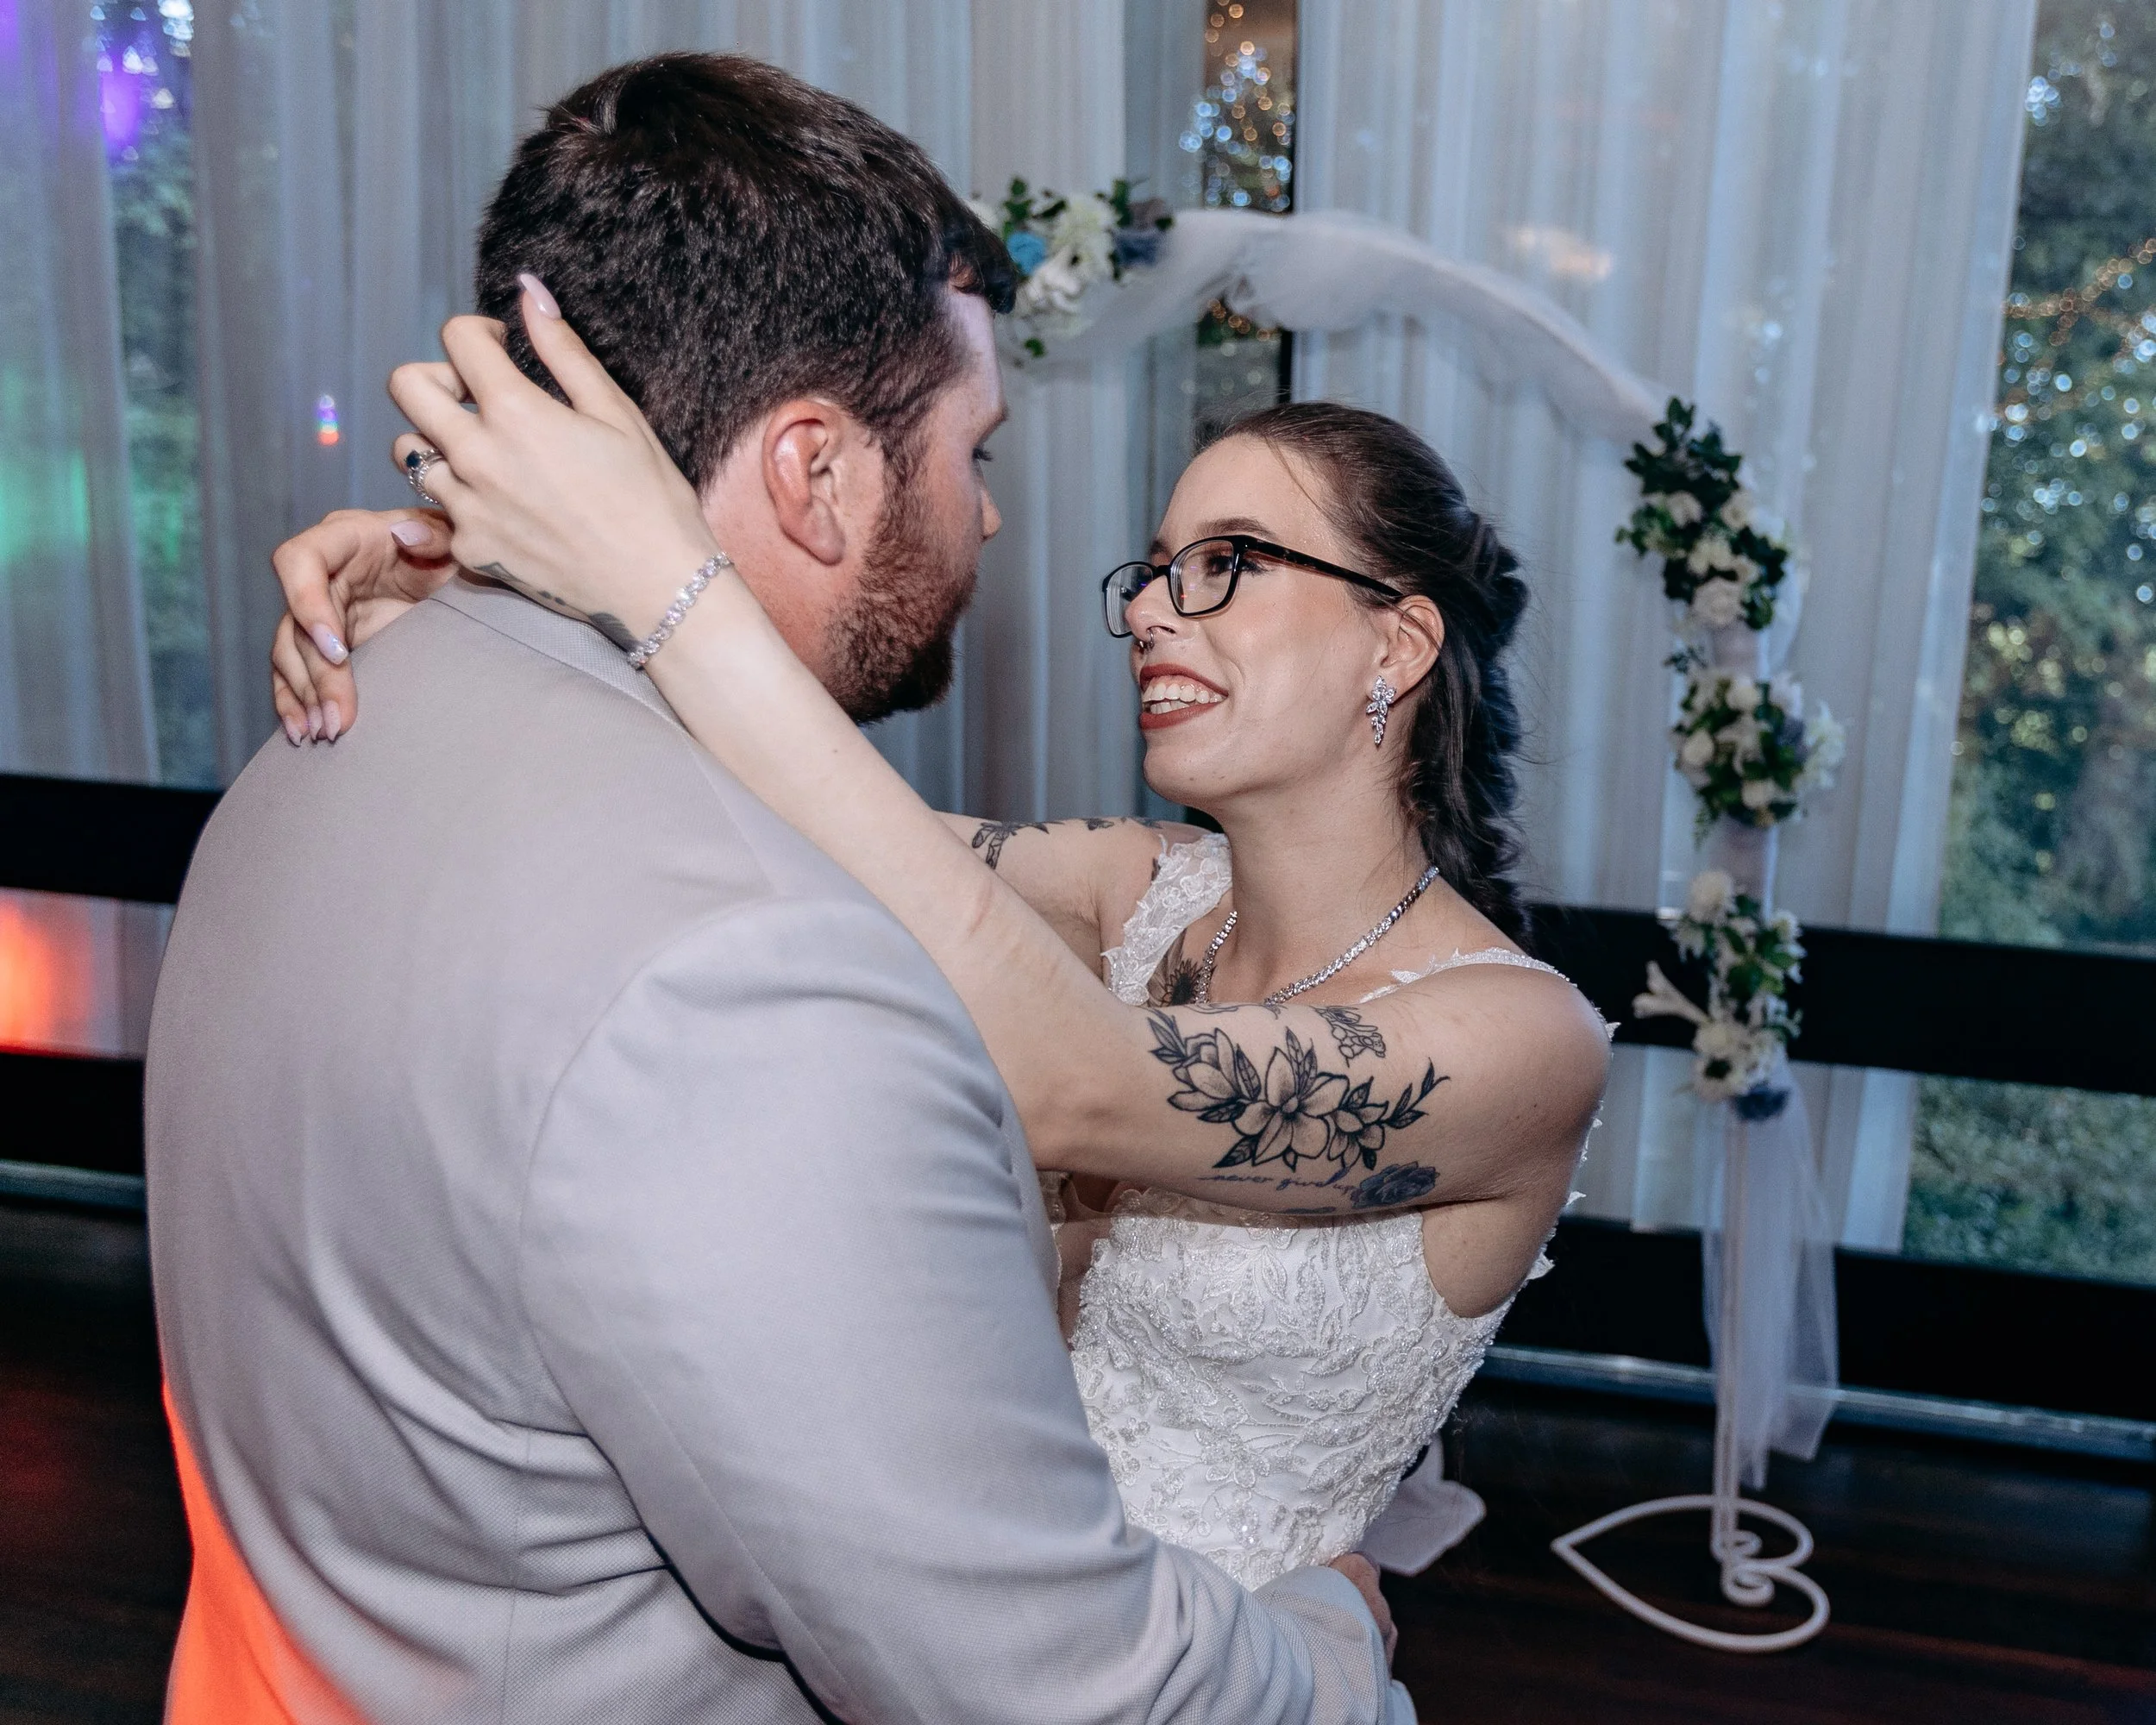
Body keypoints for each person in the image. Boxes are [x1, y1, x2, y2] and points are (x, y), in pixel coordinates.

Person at [148, 53, 1404, 1725]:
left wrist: (478, 568)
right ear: (816, 473)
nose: (988, 509)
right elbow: (1069, 1697)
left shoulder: (325, 729)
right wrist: (1338, 1638)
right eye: (971, 444)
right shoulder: (755, 984)